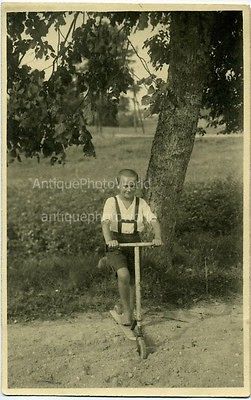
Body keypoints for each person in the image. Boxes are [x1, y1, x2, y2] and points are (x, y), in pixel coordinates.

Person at [100, 168, 162, 326]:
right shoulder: (112, 202)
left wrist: (157, 237)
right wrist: (109, 241)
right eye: (125, 185)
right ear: (118, 184)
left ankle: (131, 308)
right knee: (124, 275)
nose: (128, 189)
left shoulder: (141, 203)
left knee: (134, 280)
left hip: (134, 241)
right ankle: (127, 312)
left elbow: (153, 220)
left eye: (132, 186)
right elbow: (105, 223)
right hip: (116, 242)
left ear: (137, 186)